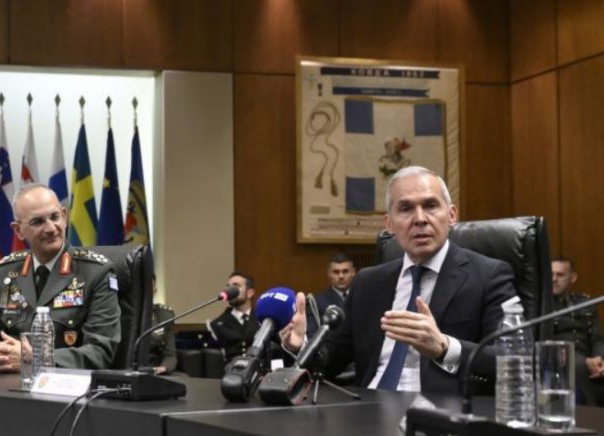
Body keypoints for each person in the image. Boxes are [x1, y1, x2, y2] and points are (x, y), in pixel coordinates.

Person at [280, 166, 516, 395]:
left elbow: (511, 360)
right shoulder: (368, 283)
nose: (420, 219)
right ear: (389, 224)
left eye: (431, 206)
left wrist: (444, 347)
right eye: (406, 209)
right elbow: (330, 363)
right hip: (368, 406)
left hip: (439, 411)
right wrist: (300, 345)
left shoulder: (488, 275)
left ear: (452, 215)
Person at [0, 183, 121, 372]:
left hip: (67, 386)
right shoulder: (4, 273)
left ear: (64, 216)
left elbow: (100, 351)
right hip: (8, 384)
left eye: (55, 217)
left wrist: (37, 359)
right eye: (37, 222)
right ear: (18, 230)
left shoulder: (95, 272)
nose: (50, 228)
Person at [550, 257, 604, 406]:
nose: (554, 279)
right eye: (551, 274)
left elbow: (597, 338)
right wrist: (585, 361)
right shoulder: (542, 307)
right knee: (578, 367)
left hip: (590, 360)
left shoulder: (585, 303)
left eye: (560, 275)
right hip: (561, 360)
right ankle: (591, 416)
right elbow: (549, 342)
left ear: (572, 277)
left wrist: (600, 359)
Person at [208, 272, 259, 363]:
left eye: (236, 286)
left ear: (250, 293)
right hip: (231, 370)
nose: (230, 291)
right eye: (228, 286)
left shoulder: (262, 319)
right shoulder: (217, 324)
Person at [307, 253, 356, 336]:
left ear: (353, 272)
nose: (341, 276)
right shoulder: (316, 301)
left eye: (345, 271)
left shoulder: (362, 298)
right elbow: (312, 335)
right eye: (336, 272)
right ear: (329, 273)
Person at [146, 278, 178, 375]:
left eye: (150, 287)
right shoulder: (119, 313)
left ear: (155, 290)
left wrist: (163, 368)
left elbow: (170, 355)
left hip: (154, 371)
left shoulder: (164, 316)